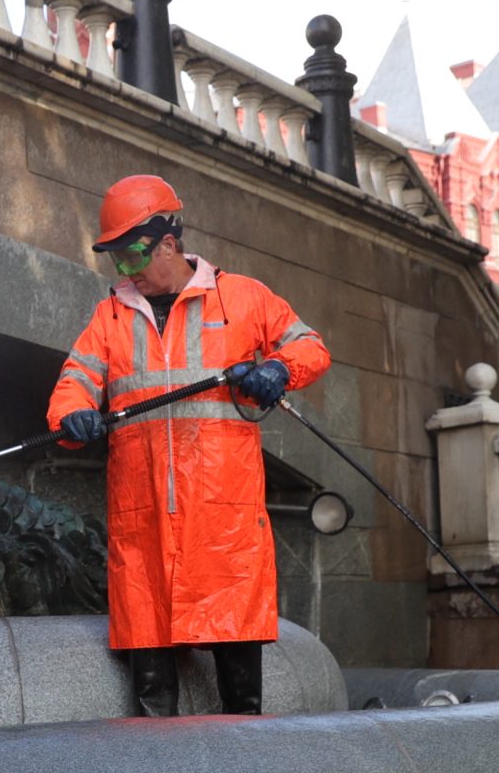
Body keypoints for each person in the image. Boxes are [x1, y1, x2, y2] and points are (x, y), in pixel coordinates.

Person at [46, 175, 331, 718]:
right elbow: (75, 380)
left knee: (240, 691)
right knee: (151, 688)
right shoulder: (110, 317)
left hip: (222, 521)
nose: (124, 272)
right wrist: (72, 415)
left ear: (168, 244)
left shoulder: (243, 298)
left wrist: (278, 368)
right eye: (116, 261)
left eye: (131, 257)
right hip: (144, 520)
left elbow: (309, 346)